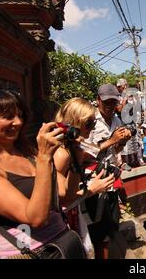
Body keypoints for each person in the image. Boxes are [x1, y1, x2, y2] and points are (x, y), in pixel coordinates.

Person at [0, 88, 71, 259]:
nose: (18, 122)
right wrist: (45, 157)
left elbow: (65, 194)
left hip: (63, 242)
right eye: (8, 116)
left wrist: (75, 157)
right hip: (26, 253)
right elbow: (35, 218)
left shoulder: (26, 151)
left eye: (20, 115)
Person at [52, 98, 117, 258]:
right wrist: (92, 190)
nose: (92, 129)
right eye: (89, 124)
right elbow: (63, 198)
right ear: (74, 122)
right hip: (63, 219)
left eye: (94, 124)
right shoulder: (62, 153)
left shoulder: (73, 147)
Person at [86, 84, 132, 259]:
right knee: (98, 230)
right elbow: (83, 152)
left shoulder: (117, 121)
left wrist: (122, 142)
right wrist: (112, 140)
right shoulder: (90, 120)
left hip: (111, 178)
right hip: (94, 180)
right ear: (98, 100)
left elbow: (116, 151)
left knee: (111, 225)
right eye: (106, 102)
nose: (110, 106)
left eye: (113, 102)